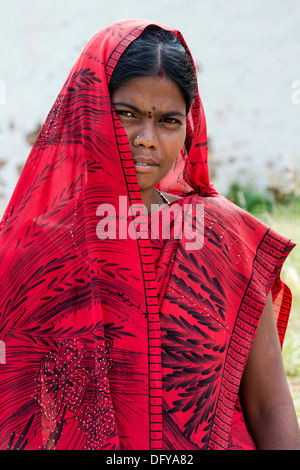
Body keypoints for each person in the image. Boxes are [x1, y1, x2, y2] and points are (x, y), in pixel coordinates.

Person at [0, 19, 299, 451]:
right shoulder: (29, 252)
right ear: (89, 111)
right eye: (127, 114)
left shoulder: (223, 238)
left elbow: (268, 405)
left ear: (188, 129)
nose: (147, 139)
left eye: (169, 121)